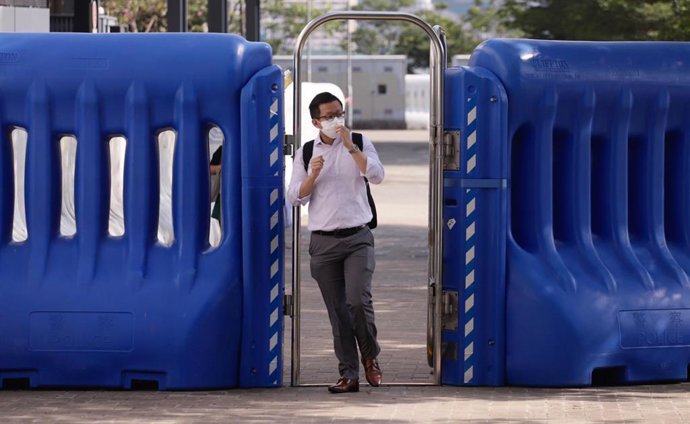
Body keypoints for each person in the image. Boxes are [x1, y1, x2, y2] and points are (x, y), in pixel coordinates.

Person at [287, 92, 385, 394]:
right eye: (329, 116)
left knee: (357, 299)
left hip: (357, 237)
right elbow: (295, 197)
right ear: (316, 121)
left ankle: (370, 355)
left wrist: (351, 147)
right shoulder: (306, 153)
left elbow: (377, 175)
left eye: (339, 114)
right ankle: (349, 374)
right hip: (323, 243)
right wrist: (312, 175)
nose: (336, 121)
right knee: (337, 312)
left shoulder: (358, 141)